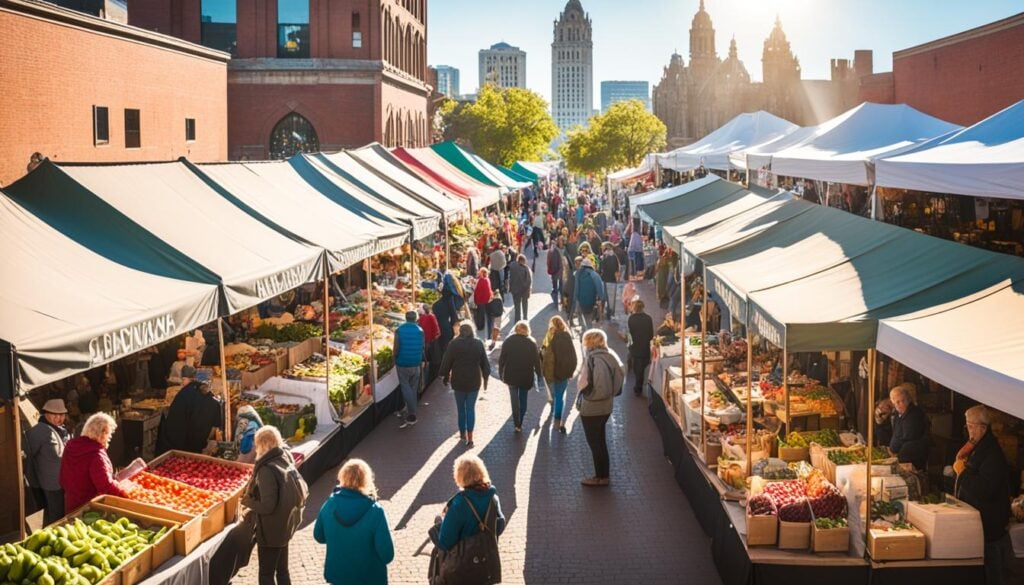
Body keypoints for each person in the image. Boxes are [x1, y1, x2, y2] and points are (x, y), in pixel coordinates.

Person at [242, 426, 308, 585]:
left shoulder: (266, 470)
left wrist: (246, 501)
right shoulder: (284, 456)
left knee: (266, 574)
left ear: (261, 445)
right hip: (285, 525)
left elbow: (267, 506)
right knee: (282, 571)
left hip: (272, 530)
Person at [954, 405, 1011, 585]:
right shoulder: (979, 446)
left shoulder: (992, 453)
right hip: (980, 520)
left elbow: (985, 489)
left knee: (993, 571)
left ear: (983, 427)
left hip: (990, 523)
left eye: (971, 426)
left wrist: (962, 473)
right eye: (967, 426)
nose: (968, 431)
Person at [314, 459, 394, 585]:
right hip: (370, 578)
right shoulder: (376, 511)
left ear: (342, 477)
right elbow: (387, 555)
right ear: (366, 480)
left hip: (339, 577)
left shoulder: (329, 505)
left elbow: (319, 536)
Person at [432, 455, 505, 582]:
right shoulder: (493, 498)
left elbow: (445, 542)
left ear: (460, 476)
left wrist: (440, 523)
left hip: (463, 568)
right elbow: (500, 525)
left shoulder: (459, 505)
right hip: (485, 564)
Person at [575, 329, 624, 487]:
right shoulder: (609, 355)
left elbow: (601, 386)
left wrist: (588, 396)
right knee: (600, 442)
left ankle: (600, 477)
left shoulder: (597, 359)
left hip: (594, 408)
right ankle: (603, 475)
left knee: (595, 443)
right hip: (604, 407)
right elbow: (619, 378)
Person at [60, 413, 129, 512]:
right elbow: (105, 485)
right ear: (103, 433)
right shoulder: (97, 455)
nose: (109, 438)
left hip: (71, 501)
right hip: (89, 506)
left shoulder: (70, 445)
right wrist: (125, 494)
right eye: (109, 434)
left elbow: (62, 478)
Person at [439, 322, 491, 448]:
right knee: (470, 409)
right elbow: (485, 364)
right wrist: (485, 379)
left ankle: (462, 433)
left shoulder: (454, 344)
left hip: (458, 381)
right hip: (474, 381)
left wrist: (445, 376)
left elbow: (446, 362)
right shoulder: (478, 343)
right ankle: (471, 436)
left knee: (461, 409)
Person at [26, 399, 70, 524]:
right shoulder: (39, 430)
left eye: (61, 415)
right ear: (46, 414)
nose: (59, 418)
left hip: (64, 481)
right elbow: (29, 456)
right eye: (55, 415)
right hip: (51, 483)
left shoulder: (61, 429)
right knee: (56, 516)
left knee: (64, 512)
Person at [499, 321, 543, 433]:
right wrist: (539, 375)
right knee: (523, 399)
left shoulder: (508, 341)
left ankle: (516, 422)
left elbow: (502, 360)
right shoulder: (531, 342)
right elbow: (536, 362)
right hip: (525, 376)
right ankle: (521, 420)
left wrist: (501, 373)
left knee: (514, 400)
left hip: (511, 376)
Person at [540, 315, 578, 433]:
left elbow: (546, 355)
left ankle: (556, 414)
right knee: (561, 395)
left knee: (556, 394)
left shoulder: (551, 337)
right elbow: (573, 356)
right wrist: (571, 370)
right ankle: (558, 414)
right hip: (565, 371)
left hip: (554, 372)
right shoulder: (567, 336)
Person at [394, 310, 424, 428]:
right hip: (415, 362)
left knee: (406, 387)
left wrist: (395, 357)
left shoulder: (399, 330)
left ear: (406, 318)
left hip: (402, 362)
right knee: (413, 387)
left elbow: (396, 347)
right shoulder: (420, 331)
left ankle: (412, 413)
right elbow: (423, 346)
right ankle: (410, 408)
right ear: (416, 318)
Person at [889, 384, 929, 470]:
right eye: (898, 402)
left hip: (912, 459)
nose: (902, 404)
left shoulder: (914, 414)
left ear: (909, 399)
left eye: (904, 400)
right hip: (898, 455)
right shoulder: (897, 412)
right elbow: (896, 434)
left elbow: (908, 437)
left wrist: (894, 453)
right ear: (893, 402)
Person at [627, 299, 655, 396]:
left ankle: (638, 387)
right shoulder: (648, 318)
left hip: (635, 347)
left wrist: (629, 346)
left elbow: (630, 335)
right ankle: (642, 384)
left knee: (637, 369)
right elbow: (651, 334)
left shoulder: (631, 319)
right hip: (645, 347)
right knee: (643, 367)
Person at [571, 258, 607, 330]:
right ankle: (588, 334)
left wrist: (575, 301)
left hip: (580, 301)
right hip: (591, 301)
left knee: (581, 319)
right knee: (589, 320)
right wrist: (602, 298)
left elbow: (576, 289)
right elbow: (600, 290)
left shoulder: (577, 274)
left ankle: (584, 334)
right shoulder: (594, 275)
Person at [419, 303, 442, 380]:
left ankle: (427, 377)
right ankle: (433, 376)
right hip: (432, 341)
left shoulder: (421, 318)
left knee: (426, 360)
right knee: (433, 360)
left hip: (425, 342)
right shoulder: (432, 316)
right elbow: (437, 330)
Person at [508, 253, 533, 324]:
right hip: (524, 290)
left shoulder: (512, 266)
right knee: (525, 304)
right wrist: (526, 287)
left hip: (515, 290)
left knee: (517, 306)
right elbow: (529, 280)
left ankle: (517, 320)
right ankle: (525, 317)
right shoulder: (525, 269)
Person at [599, 243, 621, 319]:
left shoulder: (604, 257)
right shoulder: (614, 257)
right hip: (612, 280)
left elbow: (601, 268)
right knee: (611, 299)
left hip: (605, 279)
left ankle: (602, 312)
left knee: (604, 297)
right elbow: (617, 268)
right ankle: (610, 313)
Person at [547, 236, 564, 305]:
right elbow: (551, 260)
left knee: (561, 286)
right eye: (560, 240)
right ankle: (555, 300)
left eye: (562, 240)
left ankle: (561, 300)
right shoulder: (554, 250)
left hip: (562, 271)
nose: (561, 242)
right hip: (555, 270)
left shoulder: (565, 249)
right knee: (555, 286)